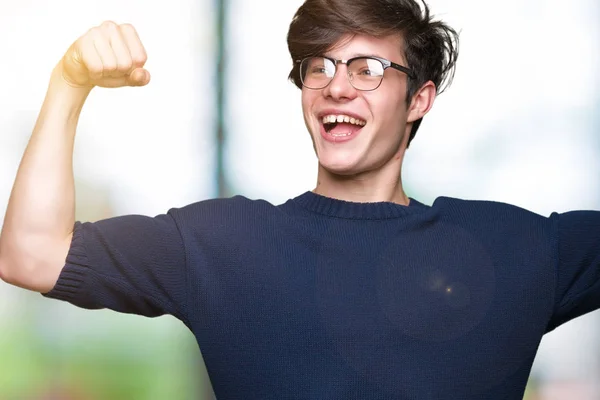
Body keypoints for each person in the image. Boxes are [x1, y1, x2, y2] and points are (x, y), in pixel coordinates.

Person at [0, 0, 598, 398]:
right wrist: (70, 81)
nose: (337, 84)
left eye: (367, 68)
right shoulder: (226, 244)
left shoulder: (514, 247)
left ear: (419, 99)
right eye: (320, 66)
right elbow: (30, 253)